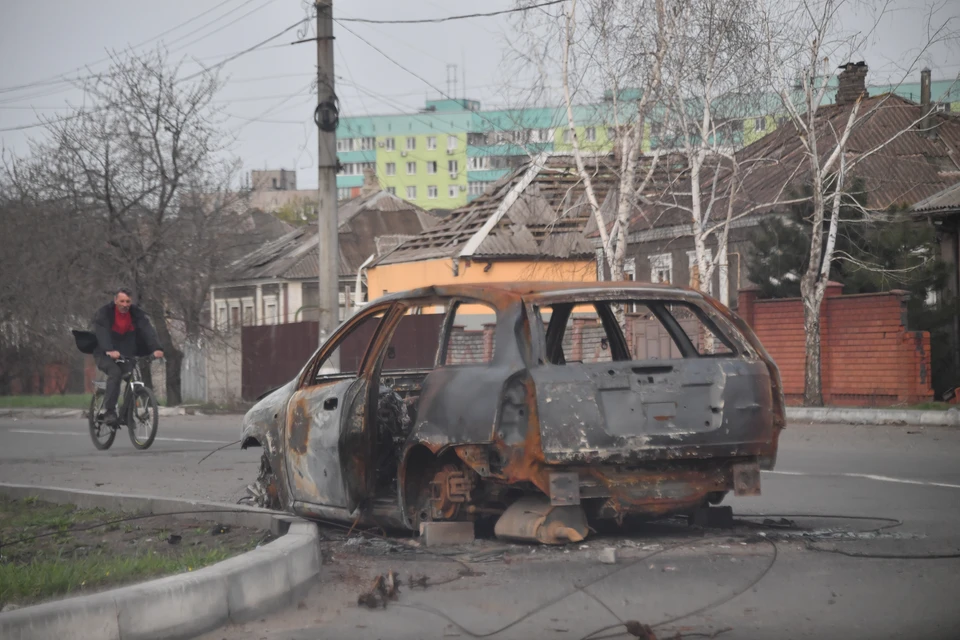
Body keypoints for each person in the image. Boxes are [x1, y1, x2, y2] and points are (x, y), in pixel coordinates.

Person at [92, 288, 164, 425]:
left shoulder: (136, 314)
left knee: (132, 376)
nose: (125, 305)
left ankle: (126, 413)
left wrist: (157, 348)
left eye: (128, 302)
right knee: (115, 372)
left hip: (125, 353)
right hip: (104, 352)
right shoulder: (105, 313)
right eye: (122, 301)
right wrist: (109, 349)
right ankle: (110, 411)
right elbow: (101, 332)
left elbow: (147, 330)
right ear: (115, 301)